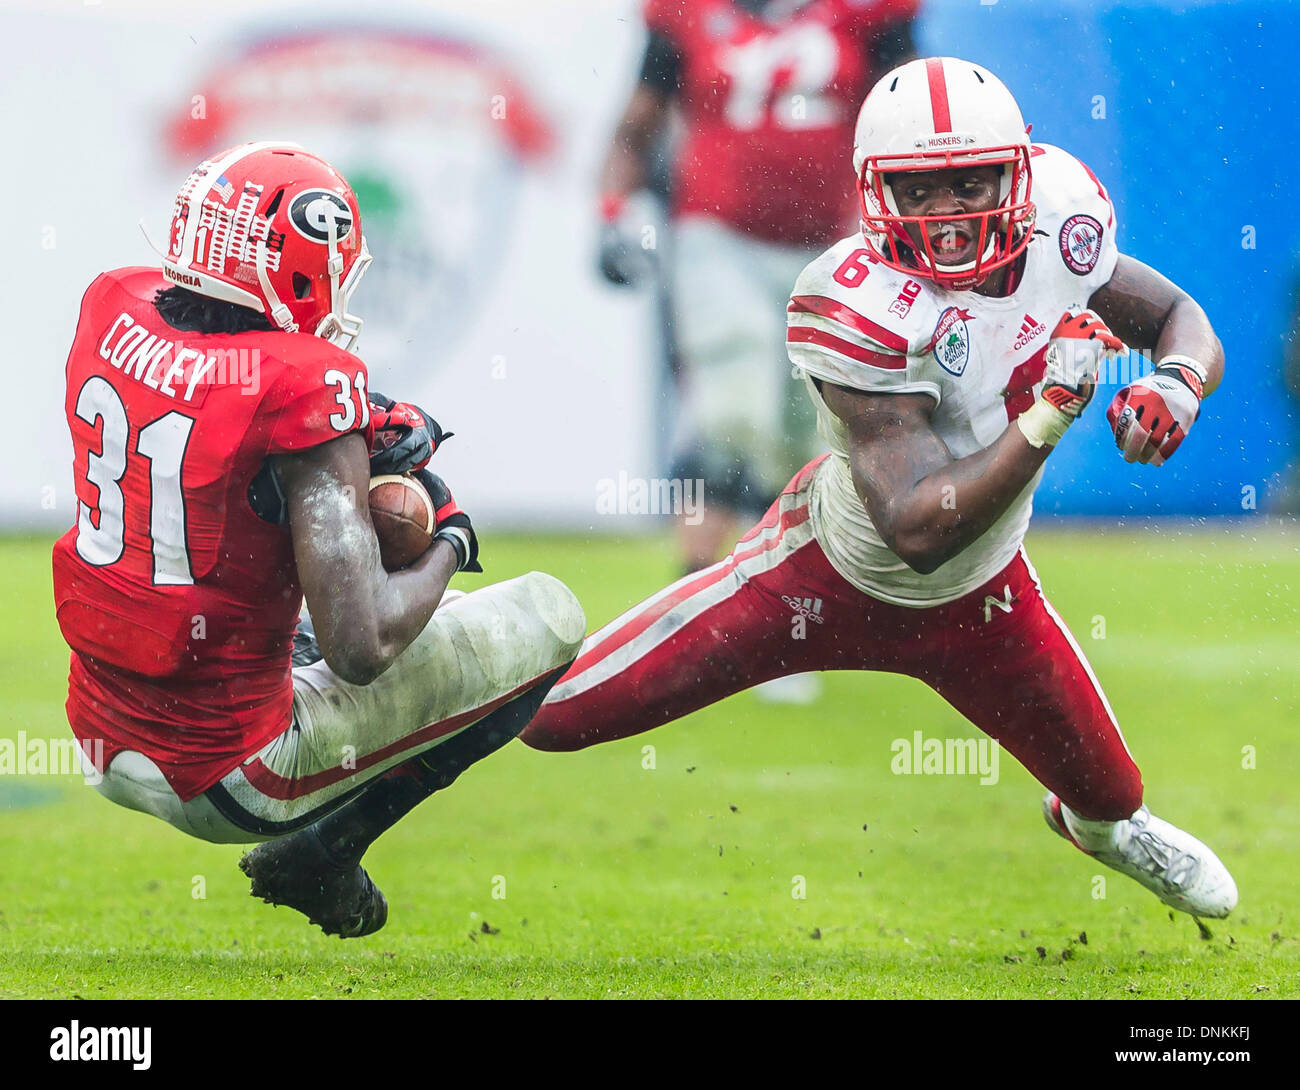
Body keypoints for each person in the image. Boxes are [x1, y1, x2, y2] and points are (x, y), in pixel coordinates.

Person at [523, 58, 1236, 919]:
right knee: (552, 715)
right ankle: (440, 660)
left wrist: (1176, 386)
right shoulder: (856, 298)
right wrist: (1049, 414)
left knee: (1115, 805)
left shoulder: (1061, 215)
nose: (949, 218)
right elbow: (917, 524)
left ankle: (1102, 830)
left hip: (983, 595)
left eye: (971, 183)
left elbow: (1172, 319)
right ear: (872, 193)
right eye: (919, 192)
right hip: (818, 579)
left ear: (1018, 169)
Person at [52, 142, 585, 938]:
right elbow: (360, 645)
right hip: (235, 773)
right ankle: (324, 853)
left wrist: (360, 421)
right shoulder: (304, 384)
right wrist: (450, 535)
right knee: (546, 615)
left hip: (98, 731)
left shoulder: (112, 308)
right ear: (293, 269)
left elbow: (214, 387)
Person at [599, 0, 919, 575]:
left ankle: (784, 603)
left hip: (834, 248)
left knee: (808, 436)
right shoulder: (689, 13)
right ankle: (698, 587)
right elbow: (635, 128)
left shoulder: (866, 13)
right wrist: (615, 211)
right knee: (734, 408)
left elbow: (918, 116)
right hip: (717, 238)